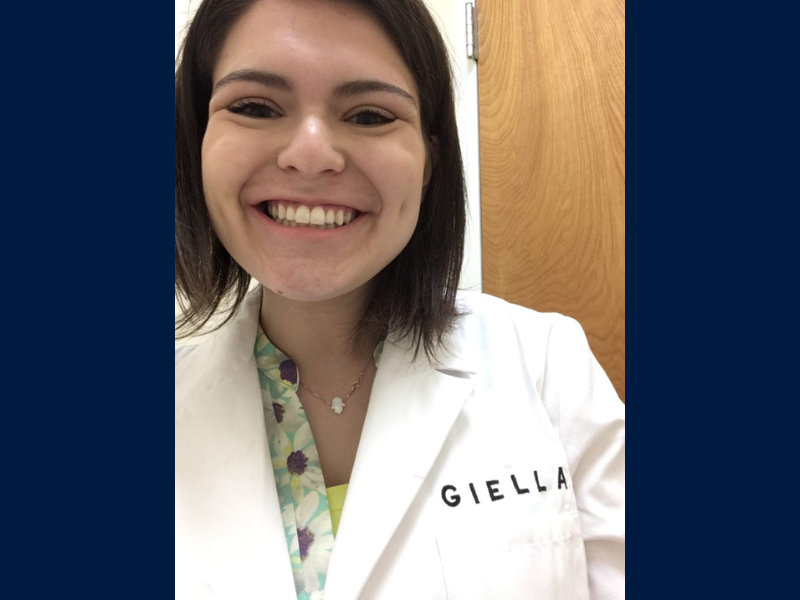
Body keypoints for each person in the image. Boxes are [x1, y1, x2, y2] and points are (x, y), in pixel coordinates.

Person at [175, 0, 625, 598]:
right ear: (197, 140)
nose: (310, 154)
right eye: (254, 107)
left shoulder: (547, 365)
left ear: (430, 158)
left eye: (368, 115)